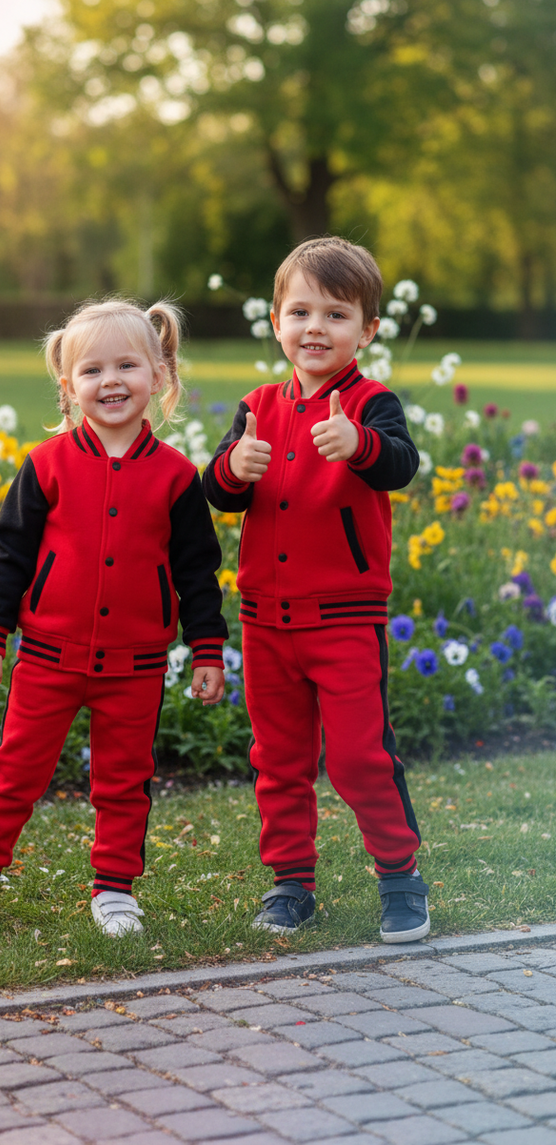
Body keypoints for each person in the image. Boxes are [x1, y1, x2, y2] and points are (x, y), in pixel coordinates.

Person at [0, 299, 227, 939]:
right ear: (68, 387)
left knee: (125, 783)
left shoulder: (177, 479)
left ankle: (115, 890)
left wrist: (206, 651)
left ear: (160, 374)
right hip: (45, 657)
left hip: (135, 666)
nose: (110, 380)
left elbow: (199, 575)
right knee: (14, 773)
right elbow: (10, 556)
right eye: (92, 370)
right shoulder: (44, 467)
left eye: (127, 365)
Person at [203, 237, 429, 943]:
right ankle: (290, 884)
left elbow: (400, 467)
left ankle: (399, 877)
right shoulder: (257, 406)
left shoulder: (372, 403)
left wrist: (358, 445)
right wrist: (233, 466)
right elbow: (218, 491)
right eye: (299, 311)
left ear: (367, 331)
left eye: (336, 315)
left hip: (345, 619)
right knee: (279, 760)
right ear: (276, 322)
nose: (315, 329)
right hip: (266, 620)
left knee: (361, 755)